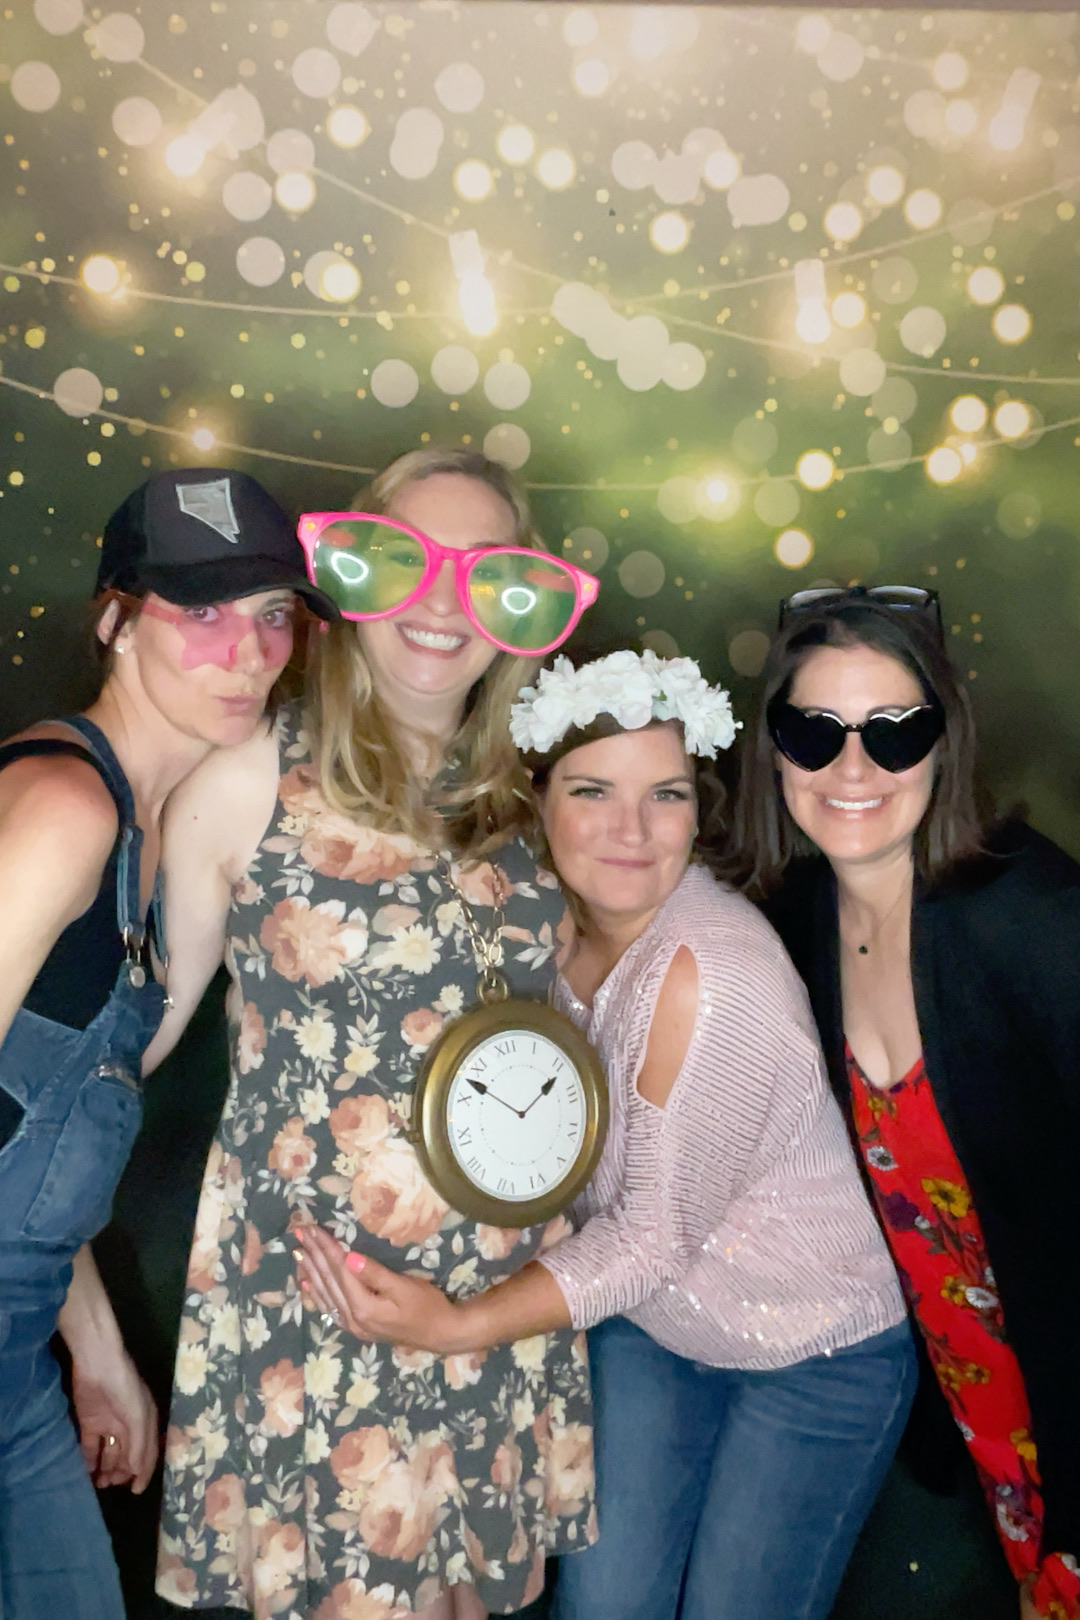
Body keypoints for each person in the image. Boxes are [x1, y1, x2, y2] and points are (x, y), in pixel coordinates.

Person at [294, 646, 915, 1620]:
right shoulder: (539, 928)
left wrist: (456, 1325)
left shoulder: (713, 975)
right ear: (537, 800)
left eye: (666, 795)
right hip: (656, 1325)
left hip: (811, 1353)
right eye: (593, 791)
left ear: (697, 812)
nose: (632, 831)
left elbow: (652, 1236)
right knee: (603, 1606)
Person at [148, 448, 601, 1619]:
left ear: (519, 606)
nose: (442, 602)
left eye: (483, 572)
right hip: (323, 1302)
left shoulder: (532, 798)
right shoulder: (250, 776)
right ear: (353, 571)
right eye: (408, 560)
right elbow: (129, 1040)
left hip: (494, 1294)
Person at [0, 466, 335, 1620]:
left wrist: (90, 1341)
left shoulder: (148, 834)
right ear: (115, 622)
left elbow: (23, 1140)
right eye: (199, 611)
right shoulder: (66, 811)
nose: (247, 652)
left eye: (273, 614)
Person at [723, 584, 1080, 1620]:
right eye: (813, 731)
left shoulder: (1035, 917)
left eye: (894, 731)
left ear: (944, 743)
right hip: (976, 1416)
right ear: (774, 751)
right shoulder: (795, 924)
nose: (852, 769)